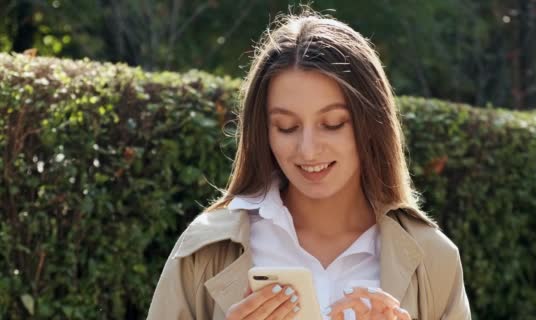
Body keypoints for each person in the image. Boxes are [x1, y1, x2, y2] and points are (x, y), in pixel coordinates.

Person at [147, 8, 471, 320]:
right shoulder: (203, 250)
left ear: (371, 124)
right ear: (264, 131)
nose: (308, 150)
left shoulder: (434, 259)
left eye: (332, 124)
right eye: (286, 127)